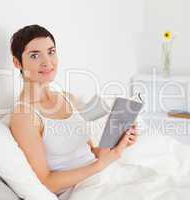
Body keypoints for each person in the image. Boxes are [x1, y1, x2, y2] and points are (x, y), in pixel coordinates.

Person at [9, 24, 138, 195]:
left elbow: (90, 152)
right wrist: (100, 165)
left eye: (51, 51)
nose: (47, 62)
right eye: (34, 55)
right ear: (17, 62)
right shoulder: (24, 115)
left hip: (104, 176)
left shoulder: (68, 98)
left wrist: (119, 145)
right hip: (81, 190)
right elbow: (47, 183)